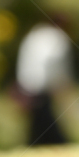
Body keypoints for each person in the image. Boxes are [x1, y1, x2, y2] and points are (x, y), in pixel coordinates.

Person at [16, 15, 73, 146]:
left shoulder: (34, 35)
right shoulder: (57, 38)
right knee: (44, 121)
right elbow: (55, 66)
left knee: (38, 121)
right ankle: (59, 143)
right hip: (42, 87)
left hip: (27, 85)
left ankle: (37, 144)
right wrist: (62, 85)